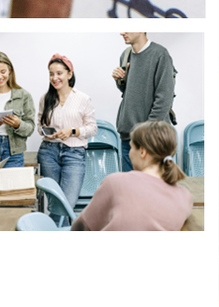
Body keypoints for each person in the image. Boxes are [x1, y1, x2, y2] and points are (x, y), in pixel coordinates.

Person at [70, 120, 192, 231]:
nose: (129, 153)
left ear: (142, 151)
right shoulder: (185, 196)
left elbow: (82, 226)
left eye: (131, 147)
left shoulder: (116, 182)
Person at [37, 53, 98, 204]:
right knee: (55, 202)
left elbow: (92, 128)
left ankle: (55, 228)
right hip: (48, 152)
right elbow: (38, 126)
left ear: (69, 74)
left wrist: (72, 131)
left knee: (67, 203)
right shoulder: (45, 98)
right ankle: (60, 228)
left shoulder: (83, 98)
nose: (54, 78)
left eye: (59, 73)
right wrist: (44, 130)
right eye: (51, 74)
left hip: (74, 153)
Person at [111, 32, 175, 171]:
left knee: (154, 188)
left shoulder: (160, 54)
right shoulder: (125, 55)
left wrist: (147, 132)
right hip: (127, 135)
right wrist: (119, 80)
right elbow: (130, 92)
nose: (122, 32)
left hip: (152, 138)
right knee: (130, 188)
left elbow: (164, 98)